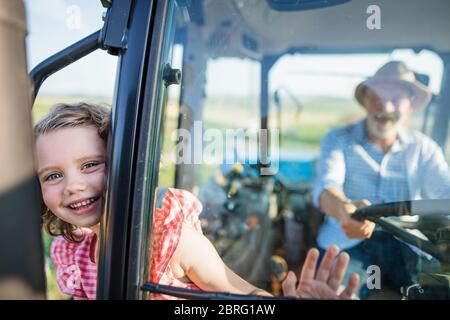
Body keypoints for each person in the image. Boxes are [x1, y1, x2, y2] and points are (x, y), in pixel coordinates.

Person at [35, 102, 360, 300]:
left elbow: (244, 296)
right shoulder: (71, 250)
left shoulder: (169, 240)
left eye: (90, 165)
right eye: (52, 175)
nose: (73, 186)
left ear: (124, 160)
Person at [313, 61, 450, 299]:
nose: (385, 106)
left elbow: (446, 193)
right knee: (335, 295)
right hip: (349, 240)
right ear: (365, 100)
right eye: (376, 96)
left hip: (407, 243)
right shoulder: (338, 139)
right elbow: (326, 188)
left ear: (410, 105)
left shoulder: (424, 149)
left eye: (396, 98)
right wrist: (345, 211)